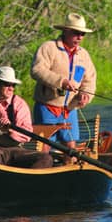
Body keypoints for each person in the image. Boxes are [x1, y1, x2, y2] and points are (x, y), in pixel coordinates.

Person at [31, 12, 97, 160]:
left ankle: (69, 172)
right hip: (46, 107)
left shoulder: (84, 55)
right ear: (65, 31)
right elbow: (37, 70)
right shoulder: (48, 48)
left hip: (70, 110)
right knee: (44, 148)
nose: (80, 37)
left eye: (82, 34)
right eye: (76, 33)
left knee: (71, 149)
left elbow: (90, 81)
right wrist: (61, 82)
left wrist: (86, 95)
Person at [0, 65, 53, 169]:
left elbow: (27, 134)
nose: (11, 88)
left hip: (15, 149)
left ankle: (26, 183)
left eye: (13, 85)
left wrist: (11, 130)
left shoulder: (20, 104)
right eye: (7, 84)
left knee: (46, 158)